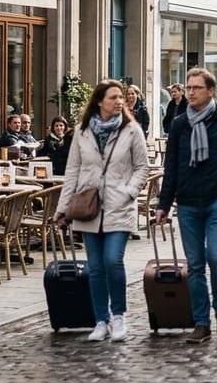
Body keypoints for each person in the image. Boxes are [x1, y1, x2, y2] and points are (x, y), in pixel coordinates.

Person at [155, 68, 217, 344]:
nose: (191, 92)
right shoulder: (180, 124)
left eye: (197, 88)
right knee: (195, 265)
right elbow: (171, 166)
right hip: (187, 203)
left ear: (211, 91)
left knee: (216, 257)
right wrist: (164, 204)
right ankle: (201, 322)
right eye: (188, 88)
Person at [54, 80, 148, 342]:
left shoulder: (132, 130)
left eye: (120, 97)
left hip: (119, 205)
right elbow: (72, 171)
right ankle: (100, 320)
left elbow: (142, 167)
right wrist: (63, 208)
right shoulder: (82, 132)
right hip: (88, 206)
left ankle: (119, 316)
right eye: (113, 97)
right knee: (95, 267)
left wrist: (129, 192)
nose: (119, 101)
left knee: (112, 261)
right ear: (98, 101)